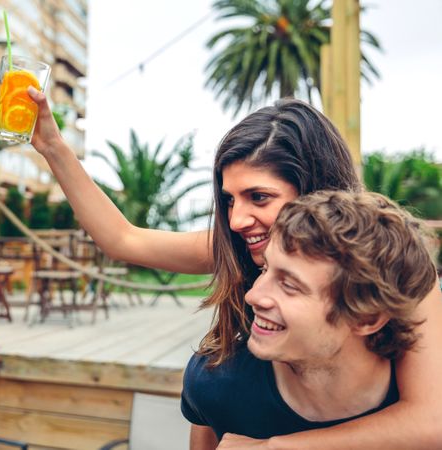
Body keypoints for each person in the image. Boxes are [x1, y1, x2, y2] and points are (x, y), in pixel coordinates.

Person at [25, 86, 442, 448]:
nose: (237, 219)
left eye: (259, 197)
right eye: (229, 199)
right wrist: (53, 147)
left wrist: (278, 448)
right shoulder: (240, 248)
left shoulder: (389, 273)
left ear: (316, 190)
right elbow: (124, 239)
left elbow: (431, 421)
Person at [182, 190, 438, 448]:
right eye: (265, 269)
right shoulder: (214, 382)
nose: (253, 295)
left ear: (367, 318)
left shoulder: (420, 391)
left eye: (289, 285)